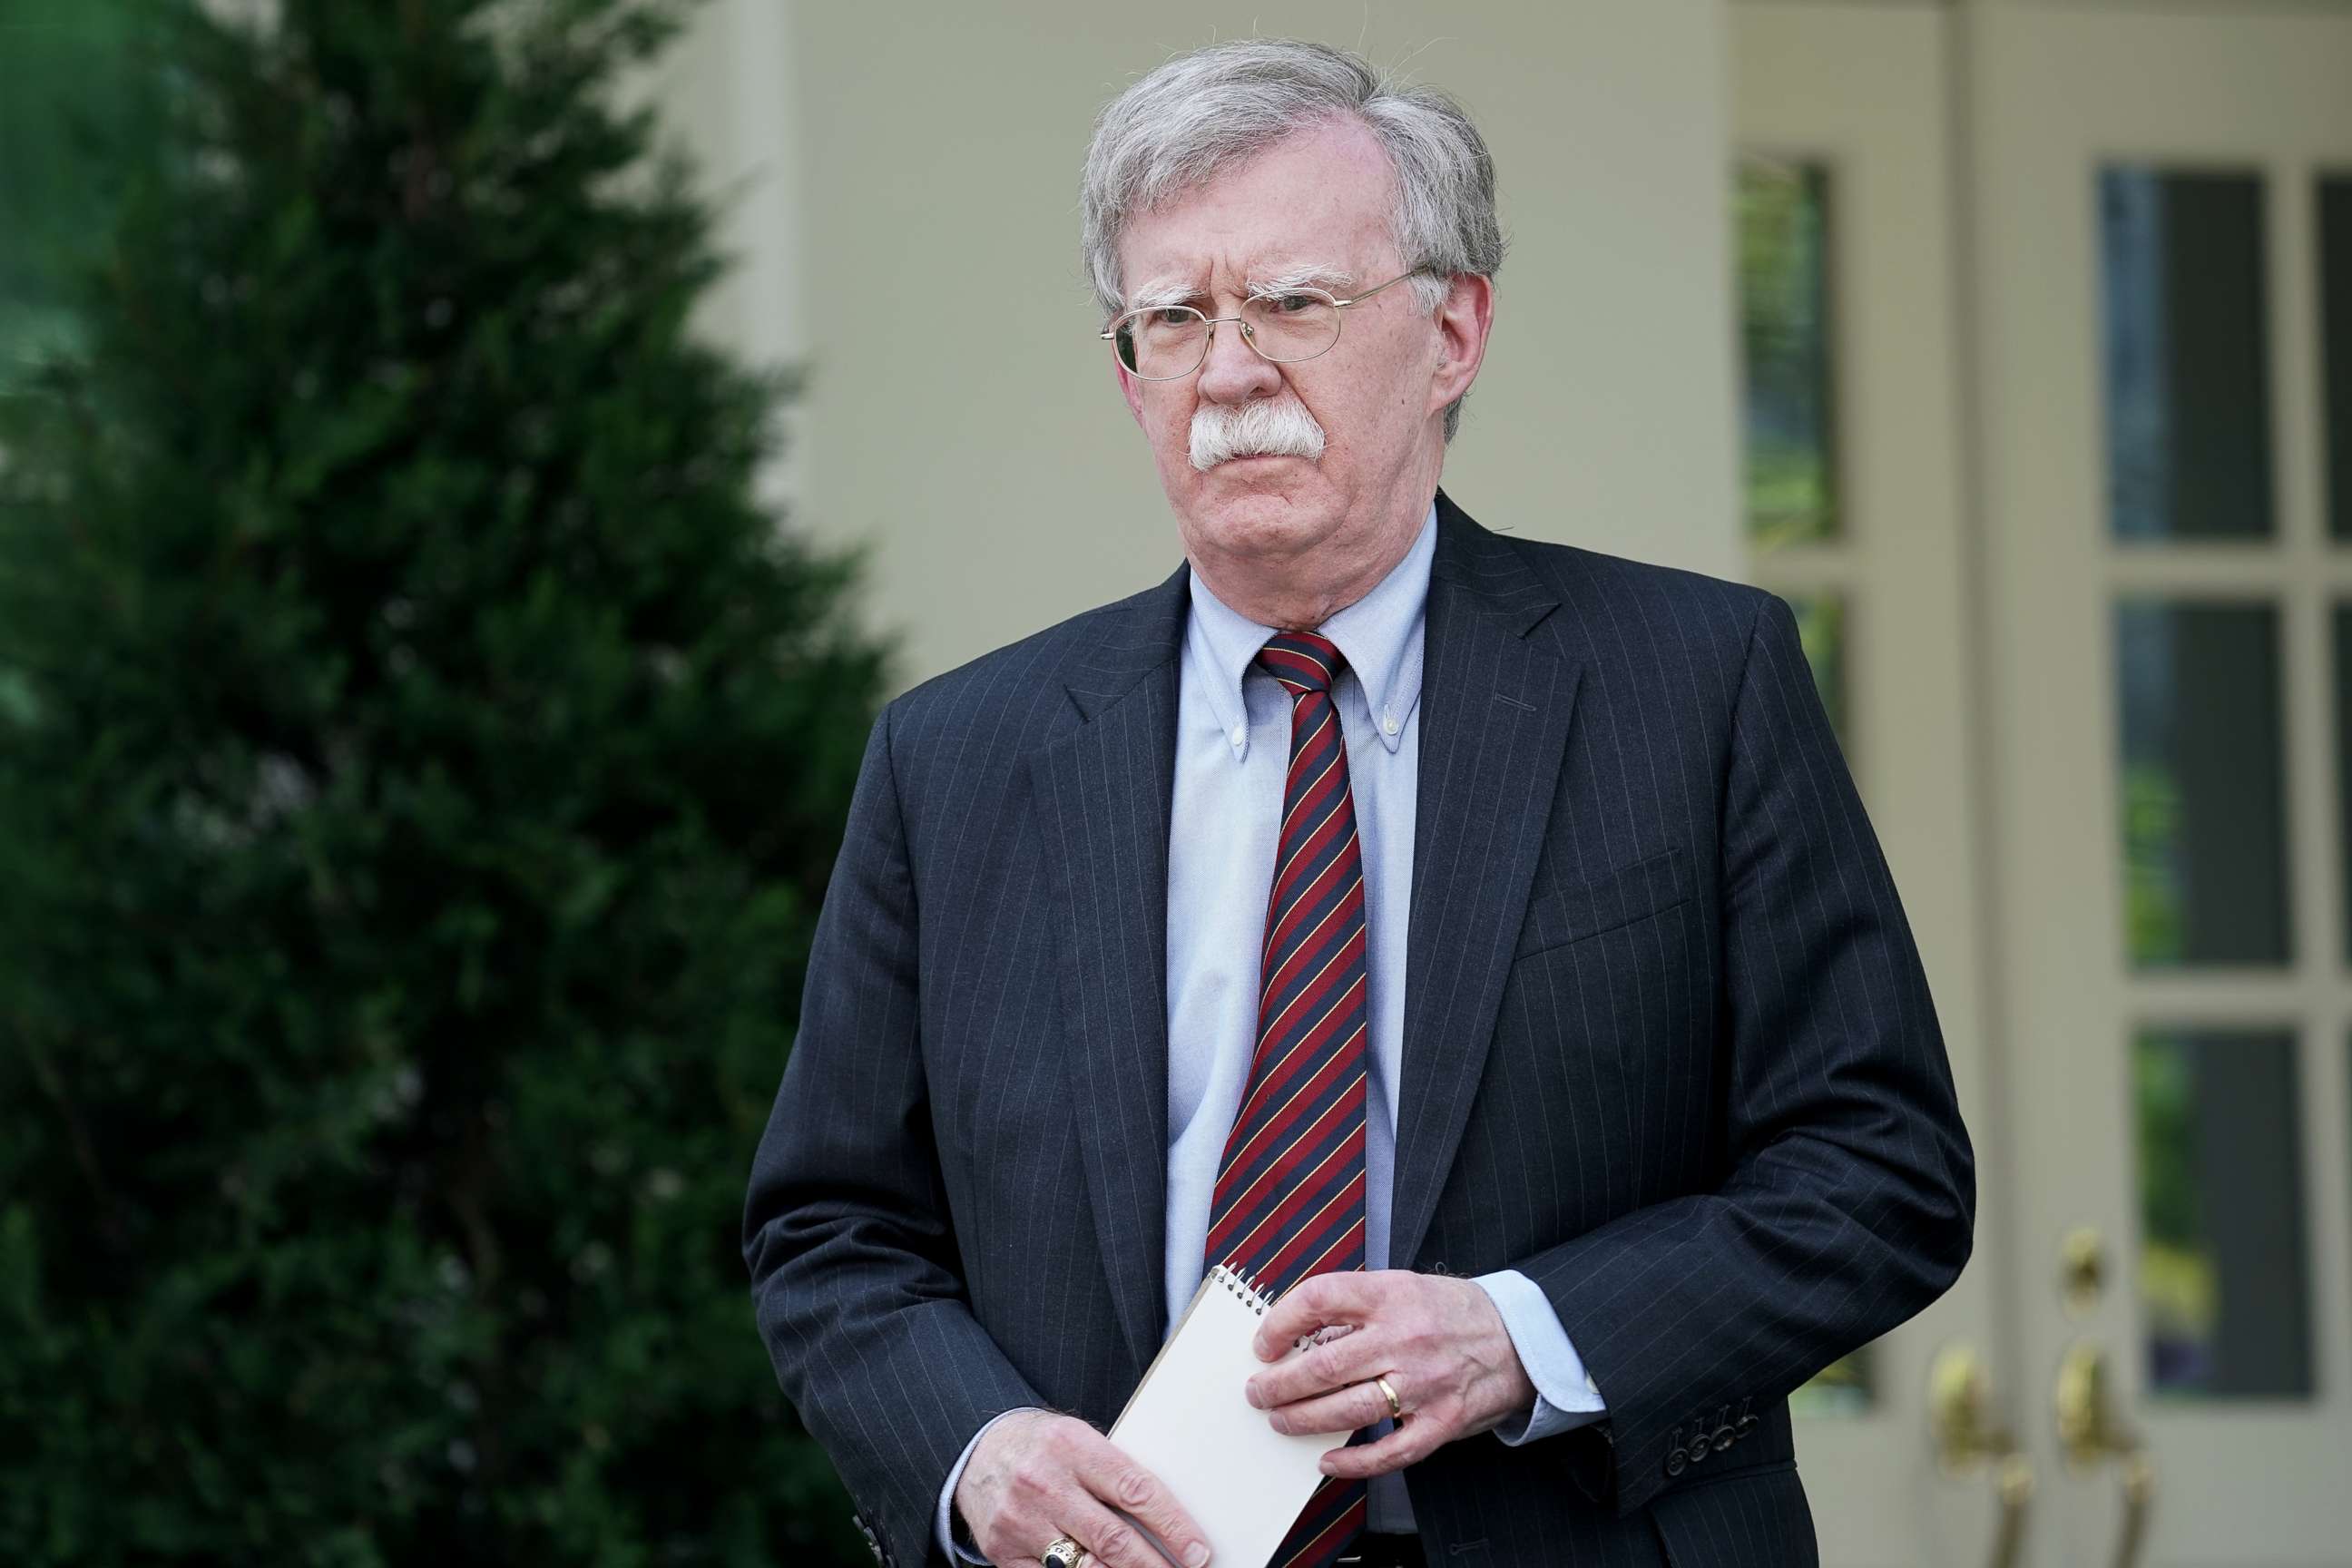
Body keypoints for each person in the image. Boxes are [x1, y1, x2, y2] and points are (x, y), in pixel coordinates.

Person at [743, 36, 1973, 1568]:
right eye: (1174, 318)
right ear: (1128, 374)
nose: (1230, 369)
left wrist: (1523, 1335)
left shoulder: (1693, 683)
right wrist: (975, 1453)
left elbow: (1881, 1168)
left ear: (1452, 331)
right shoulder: (958, 758)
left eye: (1292, 304)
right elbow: (832, 1231)